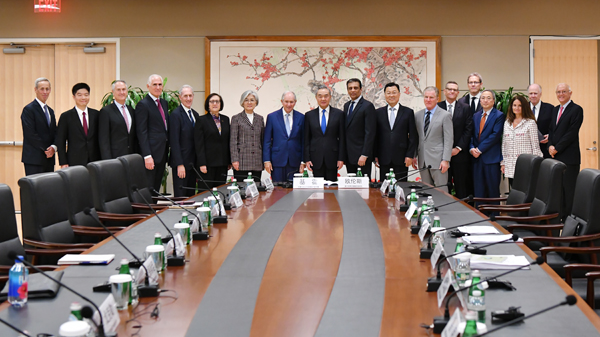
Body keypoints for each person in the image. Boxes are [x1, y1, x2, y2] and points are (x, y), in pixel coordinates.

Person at [548, 83, 583, 219]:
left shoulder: (576, 110)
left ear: (570, 93)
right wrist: (550, 146)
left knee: (569, 192)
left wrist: (557, 148)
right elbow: (551, 130)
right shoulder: (555, 109)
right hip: (555, 157)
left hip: (569, 158)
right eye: (558, 92)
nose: (560, 94)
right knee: (558, 192)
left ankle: (570, 222)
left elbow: (571, 133)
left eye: (563, 91)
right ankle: (559, 220)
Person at [374, 83, 418, 181]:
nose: (391, 95)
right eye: (388, 93)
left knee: (401, 188)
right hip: (383, 157)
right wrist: (375, 155)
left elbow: (413, 136)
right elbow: (375, 136)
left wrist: (410, 155)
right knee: (384, 188)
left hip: (402, 157)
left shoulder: (408, 112)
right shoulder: (378, 113)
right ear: (384, 95)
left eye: (394, 92)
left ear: (399, 94)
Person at [413, 86, 453, 191]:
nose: (428, 100)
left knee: (442, 191)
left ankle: (443, 208)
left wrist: (445, 160)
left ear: (437, 99)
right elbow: (416, 138)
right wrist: (414, 156)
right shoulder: (417, 115)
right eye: (426, 97)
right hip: (423, 160)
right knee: (426, 191)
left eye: (431, 97)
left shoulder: (445, 115)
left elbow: (449, 139)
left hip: (439, 161)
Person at [438, 81, 474, 198]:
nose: (452, 91)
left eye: (454, 90)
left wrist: (458, 148)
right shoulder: (438, 107)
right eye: (449, 89)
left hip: (460, 155)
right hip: (441, 155)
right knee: (443, 186)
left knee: (461, 186)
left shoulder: (465, 108)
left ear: (458, 93)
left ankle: (462, 213)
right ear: (444, 91)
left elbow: (468, 130)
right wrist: (446, 150)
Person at [304, 85, 345, 181]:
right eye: (320, 96)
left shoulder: (339, 114)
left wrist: (341, 158)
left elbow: (342, 138)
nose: (323, 99)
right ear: (316, 98)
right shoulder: (309, 115)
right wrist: (307, 159)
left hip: (333, 158)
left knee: (332, 190)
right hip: (315, 158)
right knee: (317, 191)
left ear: (330, 97)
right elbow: (306, 139)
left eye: (326, 96)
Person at [470, 90, 505, 203]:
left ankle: (494, 218)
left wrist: (479, 149)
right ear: (480, 100)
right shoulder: (475, 116)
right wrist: (471, 148)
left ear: (493, 101)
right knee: (478, 191)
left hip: (491, 159)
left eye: (488, 98)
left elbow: (495, 136)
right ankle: (479, 216)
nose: (485, 100)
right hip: (476, 159)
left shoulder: (499, 115)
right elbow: (471, 134)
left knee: (492, 191)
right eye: (483, 98)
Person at [136, 74, 169, 192]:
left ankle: (155, 210)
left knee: (156, 187)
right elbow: (142, 131)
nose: (158, 87)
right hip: (150, 155)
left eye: (160, 84)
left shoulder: (164, 103)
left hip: (162, 153)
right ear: (148, 86)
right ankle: (148, 211)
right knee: (149, 188)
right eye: (154, 84)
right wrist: (147, 155)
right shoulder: (143, 104)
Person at [501, 95, 543, 187]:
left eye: (520, 105)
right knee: (514, 192)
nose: (517, 108)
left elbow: (535, 146)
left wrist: (536, 165)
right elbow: (504, 145)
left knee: (525, 193)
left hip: (526, 165)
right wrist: (503, 163)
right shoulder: (507, 123)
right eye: (514, 105)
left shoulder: (530, 123)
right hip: (510, 165)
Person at [263, 91, 305, 183]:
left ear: (295, 102)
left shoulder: (301, 117)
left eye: (291, 102)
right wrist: (266, 160)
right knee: (277, 191)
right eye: (286, 101)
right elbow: (267, 140)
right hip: (277, 161)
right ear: (281, 101)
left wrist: (303, 161)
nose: (289, 104)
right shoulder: (272, 117)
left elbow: (303, 141)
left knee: (294, 192)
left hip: (295, 161)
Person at [56, 83, 101, 167]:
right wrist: (63, 162)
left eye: (86, 95)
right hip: (74, 160)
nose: (83, 98)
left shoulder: (96, 114)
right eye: (79, 95)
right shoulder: (66, 116)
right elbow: (60, 141)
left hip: (95, 160)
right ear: (74, 97)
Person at [21, 77, 57, 176]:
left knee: (48, 189)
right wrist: (46, 149)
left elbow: (54, 132)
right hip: (34, 159)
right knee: (34, 190)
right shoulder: (28, 110)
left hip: (49, 159)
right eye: (42, 89)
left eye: (47, 89)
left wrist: (53, 148)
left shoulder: (50, 111)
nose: (45, 92)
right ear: (35, 90)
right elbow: (30, 134)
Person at [169, 85, 200, 197]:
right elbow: (174, 141)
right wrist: (179, 164)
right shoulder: (175, 115)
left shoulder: (195, 115)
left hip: (192, 164)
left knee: (191, 196)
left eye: (190, 96)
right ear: (180, 97)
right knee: (181, 196)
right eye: (185, 96)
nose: (188, 98)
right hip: (181, 164)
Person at [195, 93, 231, 188]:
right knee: (206, 192)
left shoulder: (225, 119)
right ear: (208, 104)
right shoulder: (201, 120)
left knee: (220, 191)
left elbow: (227, 141)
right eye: (212, 101)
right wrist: (202, 163)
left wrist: (229, 161)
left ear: (220, 104)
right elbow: (199, 143)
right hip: (207, 164)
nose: (215, 104)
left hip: (222, 163)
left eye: (217, 101)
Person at [343, 78, 376, 178]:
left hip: (362, 157)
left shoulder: (368, 106)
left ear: (361, 89)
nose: (353, 90)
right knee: (351, 188)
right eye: (350, 88)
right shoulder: (346, 105)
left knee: (363, 189)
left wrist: (365, 154)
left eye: (355, 88)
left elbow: (370, 133)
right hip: (349, 156)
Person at [230, 90, 265, 182]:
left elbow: (262, 140)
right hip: (242, 161)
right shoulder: (236, 118)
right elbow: (233, 141)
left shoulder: (260, 118)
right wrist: (234, 160)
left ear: (256, 102)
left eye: (252, 100)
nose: (249, 102)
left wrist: (264, 160)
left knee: (256, 190)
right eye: (246, 100)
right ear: (242, 102)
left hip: (257, 160)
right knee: (242, 191)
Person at [98, 80, 137, 159]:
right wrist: (107, 160)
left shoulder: (131, 110)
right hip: (115, 157)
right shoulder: (106, 111)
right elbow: (103, 139)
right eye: (118, 90)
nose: (121, 92)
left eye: (123, 89)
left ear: (127, 91)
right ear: (113, 92)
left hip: (131, 156)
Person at [527, 83, 553, 158]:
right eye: (531, 93)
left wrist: (550, 136)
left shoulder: (550, 108)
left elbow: (555, 127)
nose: (533, 96)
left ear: (540, 94)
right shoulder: (522, 109)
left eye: (535, 93)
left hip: (545, 150)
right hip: (527, 150)